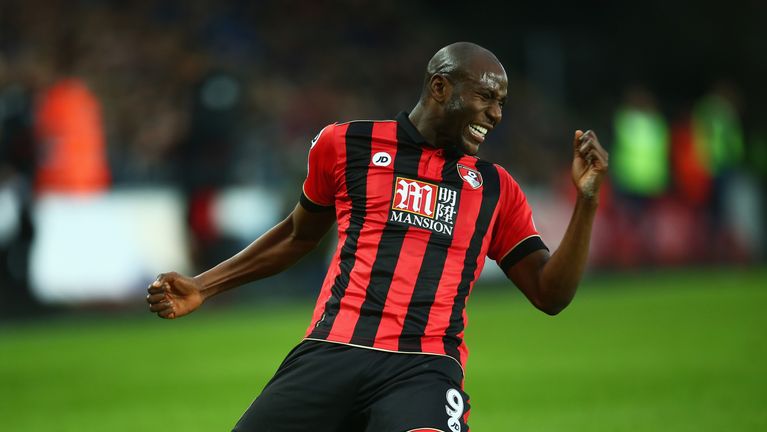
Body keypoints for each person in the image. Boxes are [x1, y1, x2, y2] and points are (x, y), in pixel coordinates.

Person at [147, 42, 608, 432]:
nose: (495, 114)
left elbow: (551, 294)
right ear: (440, 87)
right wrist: (203, 285)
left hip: (424, 369)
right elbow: (296, 235)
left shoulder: (495, 188)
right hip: (332, 351)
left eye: (502, 103)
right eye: (486, 97)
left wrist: (585, 202)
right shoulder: (345, 145)